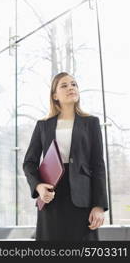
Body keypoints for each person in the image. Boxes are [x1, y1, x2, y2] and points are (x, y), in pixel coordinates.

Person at [23, 71, 109, 241]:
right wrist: (38, 187)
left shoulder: (91, 123)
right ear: (55, 95)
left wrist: (99, 205)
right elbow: (29, 163)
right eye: (64, 85)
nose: (71, 87)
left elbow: (98, 165)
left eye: (74, 84)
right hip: (51, 197)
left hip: (82, 199)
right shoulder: (43, 125)